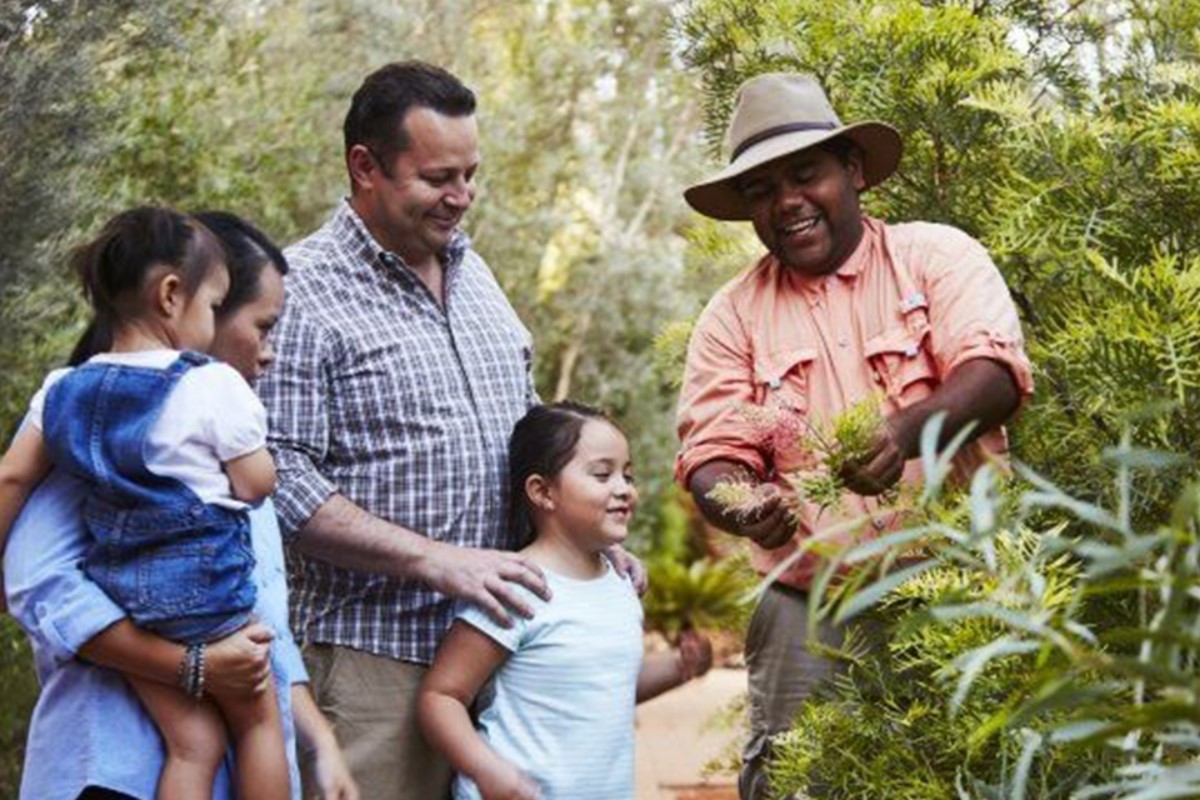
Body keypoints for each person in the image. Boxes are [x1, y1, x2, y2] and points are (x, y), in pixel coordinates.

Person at [258, 61, 641, 800]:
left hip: (503, 655)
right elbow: (279, 478)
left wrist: (584, 545)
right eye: (438, 178)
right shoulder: (300, 290)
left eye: (471, 175)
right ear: (364, 166)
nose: (461, 198)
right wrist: (433, 559)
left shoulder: (477, 275)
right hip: (375, 657)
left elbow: (536, 440)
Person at [674, 73, 1035, 799]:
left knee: (971, 774)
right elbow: (710, 457)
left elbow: (994, 373)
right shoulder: (731, 316)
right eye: (761, 190)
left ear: (855, 170)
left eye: (805, 174)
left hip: (957, 583)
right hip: (808, 604)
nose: (786, 203)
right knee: (796, 780)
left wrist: (904, 432)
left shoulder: (938, 256)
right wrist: (742, 504)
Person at [3, 210, 357, 800]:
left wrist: (318, 742)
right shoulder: (117, 437)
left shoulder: (195, 444)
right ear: (179, 301)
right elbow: (41, 586)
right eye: (261, 326)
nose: (270, 353)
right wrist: (193, 665)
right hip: (114, 766)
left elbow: (260, 631)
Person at [419, 403, 712, 800]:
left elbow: (605, 686)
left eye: (627, 475)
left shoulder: (619, 585)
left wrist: (679, 668)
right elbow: (442, 696)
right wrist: (486, 770)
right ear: (543, 492)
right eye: (602, 475)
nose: (625, 489)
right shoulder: (516, 587)